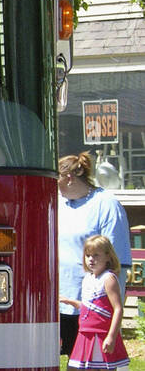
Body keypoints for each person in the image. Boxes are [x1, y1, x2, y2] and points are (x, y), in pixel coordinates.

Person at [57, 151, 132, 356]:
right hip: (61, 301)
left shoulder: (106, 205)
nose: (55, 186)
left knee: (93, 367)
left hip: (93, 303)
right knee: (70, 367)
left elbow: (117, 263)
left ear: (69, 178)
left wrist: (113, 309)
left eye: (57, 180)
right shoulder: (59, 205)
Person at [60, 234, 133, 371]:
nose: (91, 259)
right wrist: (70, 301)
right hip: (85, 335)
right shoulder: (88, 278)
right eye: (88, 255)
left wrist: (111, 337)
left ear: (108, 256)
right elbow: (90, 307)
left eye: (96, 255)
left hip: (101, 336)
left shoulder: (109, 278)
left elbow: (117, 308)